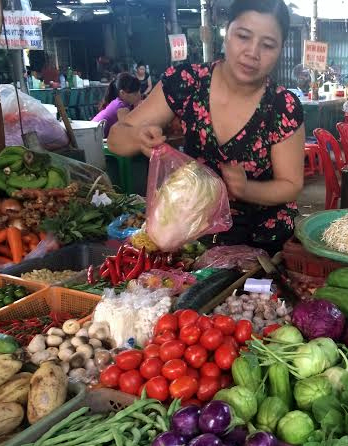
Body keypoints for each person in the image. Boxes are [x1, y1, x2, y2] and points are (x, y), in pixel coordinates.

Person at [107, 0, 304, 255]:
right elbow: (115, 140)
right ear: (226, 31)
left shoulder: (282, 106)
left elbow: (291, 184)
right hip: (192, 241)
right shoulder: (187, 82)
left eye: (267, 45)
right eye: (243, 36)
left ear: (280, 50)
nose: (252, 53)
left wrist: (246, 189)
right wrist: (138, 136)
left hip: (263, 246)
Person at [93, 72, 142, 137]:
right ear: (122, 93)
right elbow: (128, 132)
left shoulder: (120, 102)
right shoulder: (121, 107)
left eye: (139, 91)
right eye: (135, 94)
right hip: (92, 137)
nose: (139, 96)